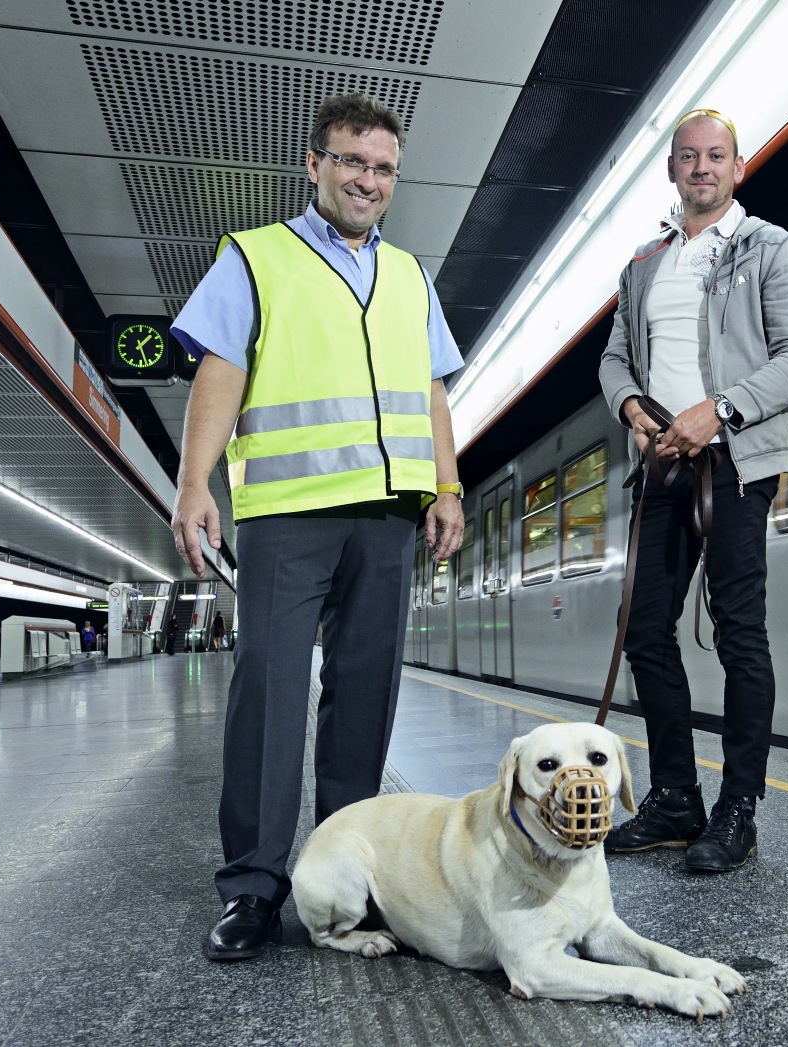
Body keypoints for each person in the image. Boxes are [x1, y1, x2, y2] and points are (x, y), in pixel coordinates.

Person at [170, 92, 465, 961]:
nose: (367, 180)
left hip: (388, 517)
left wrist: (446, 484)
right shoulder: (256, 259)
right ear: (315, 164)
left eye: (382, 168)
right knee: (269, 687)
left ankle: (347, 876)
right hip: (288, 515)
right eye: (351, 161)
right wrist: (195, 483)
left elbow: (435, 391)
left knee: (364, 693)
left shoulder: (411, 275)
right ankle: (254, 887)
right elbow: (219, 370)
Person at [598, 109, 788, 873]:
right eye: (688, 156)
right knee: (645, 630)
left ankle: (739, 808)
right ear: (671, 170)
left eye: (715, 156)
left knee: (737, 631)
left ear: (737, 168)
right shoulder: (644, 263)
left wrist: (718, 412)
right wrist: (633, 408)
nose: (701, 167)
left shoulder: (770, 249)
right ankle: (675, 797)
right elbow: (615, 357)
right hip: (662, 463)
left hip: (736, 462)